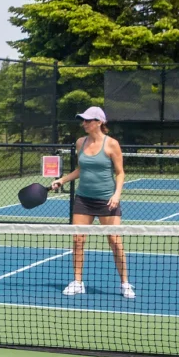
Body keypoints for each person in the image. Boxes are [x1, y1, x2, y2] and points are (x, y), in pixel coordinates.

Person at [50, 107, 135, 299]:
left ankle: (125, 283)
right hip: (83, 199)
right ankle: (78, 282)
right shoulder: (80, 142)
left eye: (88, 120)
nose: (84, 123)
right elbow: (80, 169)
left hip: (107, 201)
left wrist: (116, 195)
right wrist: (62, 180)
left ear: (99, 122)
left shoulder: (112, 144)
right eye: (83, 120)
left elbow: (120, 173)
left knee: (114, 241)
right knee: (78, 240)